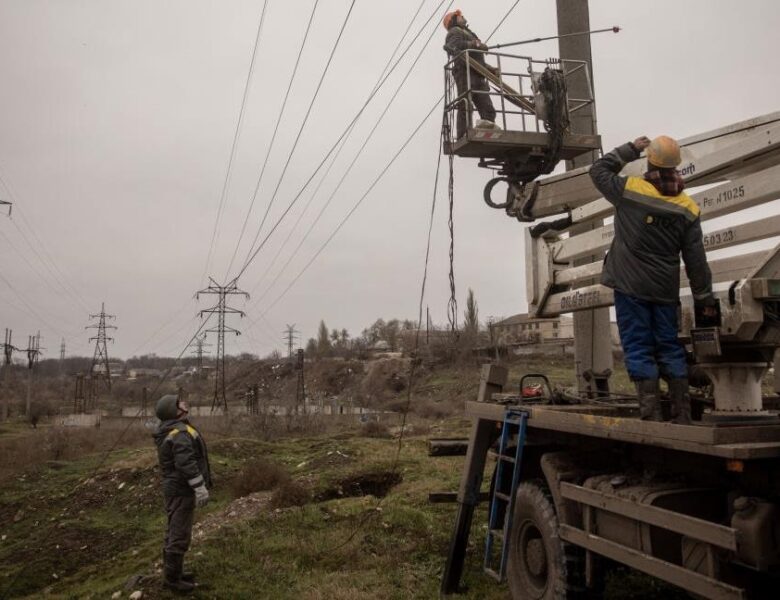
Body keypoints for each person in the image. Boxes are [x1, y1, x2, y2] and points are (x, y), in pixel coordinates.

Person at [589, 135, 717, 424]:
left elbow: (597, 171)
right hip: (664, 292)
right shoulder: (687, 208)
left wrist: (630, 149)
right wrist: (704, 300)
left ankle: (652, 417)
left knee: (638, 347)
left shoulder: (629, 191)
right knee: (669, 347)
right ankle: (682, 415)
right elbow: (697, 261)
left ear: (650, 161)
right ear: (676, 166)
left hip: (630, 287)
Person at [153, 394, 212, 592]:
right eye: (179, 403)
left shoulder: (174, 429)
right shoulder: (179, 433)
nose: (185, 403)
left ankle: (174, 573)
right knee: (179, 532)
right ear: (174, 410)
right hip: (181, 489)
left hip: (176, 488)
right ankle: (172, 581)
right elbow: (185, 463)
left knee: (173, 530)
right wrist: (199, 487)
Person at [442, 9, 499, 139]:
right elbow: (454, 46)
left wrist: (491, 70)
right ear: (454, 20)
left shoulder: (469, 33)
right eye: (460, 16)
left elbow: (476, 60)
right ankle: (463, 133)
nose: (463, 17)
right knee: (465, 105)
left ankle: (489, 130)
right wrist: (474, 44)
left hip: (478, 74)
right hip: (464, 72)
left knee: (488, 107)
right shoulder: (454, 32)